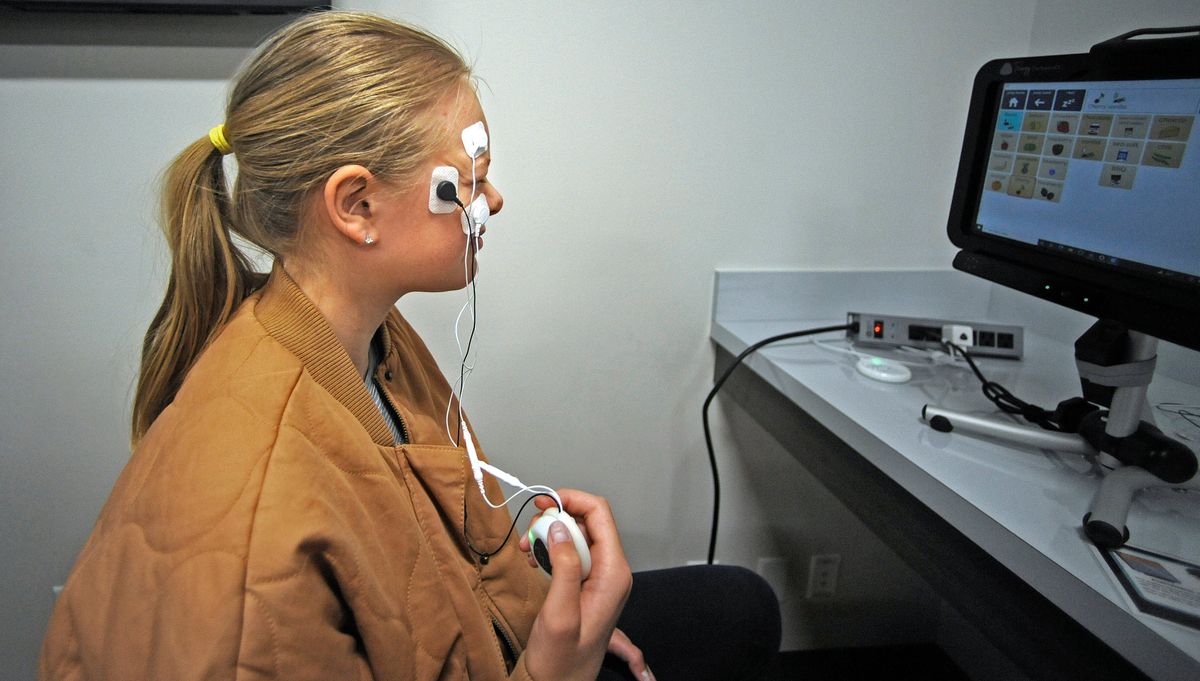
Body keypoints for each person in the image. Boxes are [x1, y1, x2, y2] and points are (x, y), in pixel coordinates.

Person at [38, 11, 779, 681]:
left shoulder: (373, 336)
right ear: (358, 206)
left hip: (477, 637)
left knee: (738, 605)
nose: (493, 201)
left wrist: (544, 617)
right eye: (471, 180)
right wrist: (557, 670)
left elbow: (449, 544)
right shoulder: (256, 547)